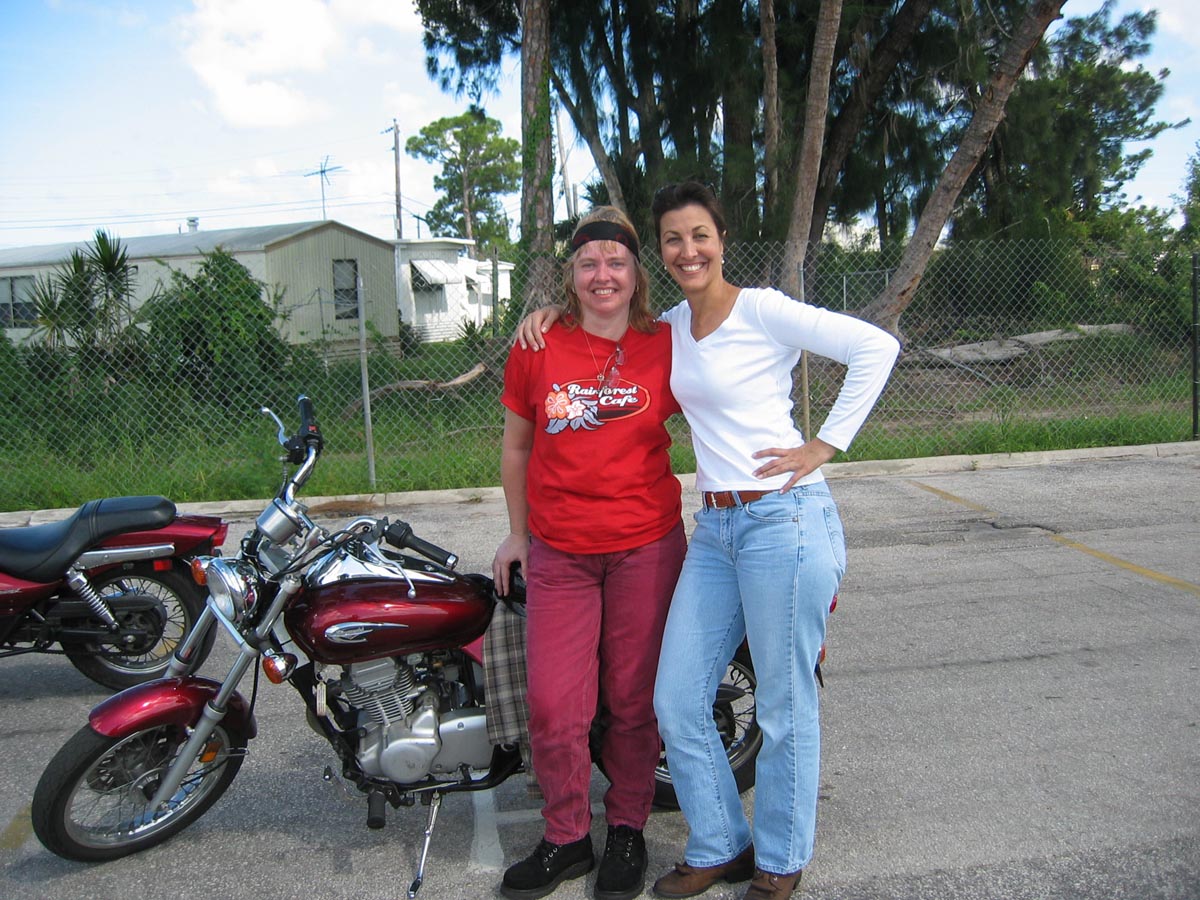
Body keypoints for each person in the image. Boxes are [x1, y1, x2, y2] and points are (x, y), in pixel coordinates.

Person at [517, 182, 900, 900]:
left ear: (721, 241)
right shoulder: (667, 327)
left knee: (784, 705)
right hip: (716, 529)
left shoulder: (762, 309)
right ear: (659, 254)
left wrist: (824, 444)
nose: (687, 249)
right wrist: (547, 317)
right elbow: (599, 328)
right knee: (676, 700)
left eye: (699, 235)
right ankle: (722, 841)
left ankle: (780, 859)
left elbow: (875, 347)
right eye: (673, 239)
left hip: (783, 519)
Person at [493, 205, 687, 900]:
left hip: (646, 547)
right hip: (561, 552)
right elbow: (517, 448)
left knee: (633, 700)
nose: (603, 275)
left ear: (637, 273)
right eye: (588, 263)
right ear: (570, 275)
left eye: (616, 262)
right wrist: (518, 532)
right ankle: (567, 836)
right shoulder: (538, 344)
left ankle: (627, 829)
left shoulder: (669, 343)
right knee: (554, 706)